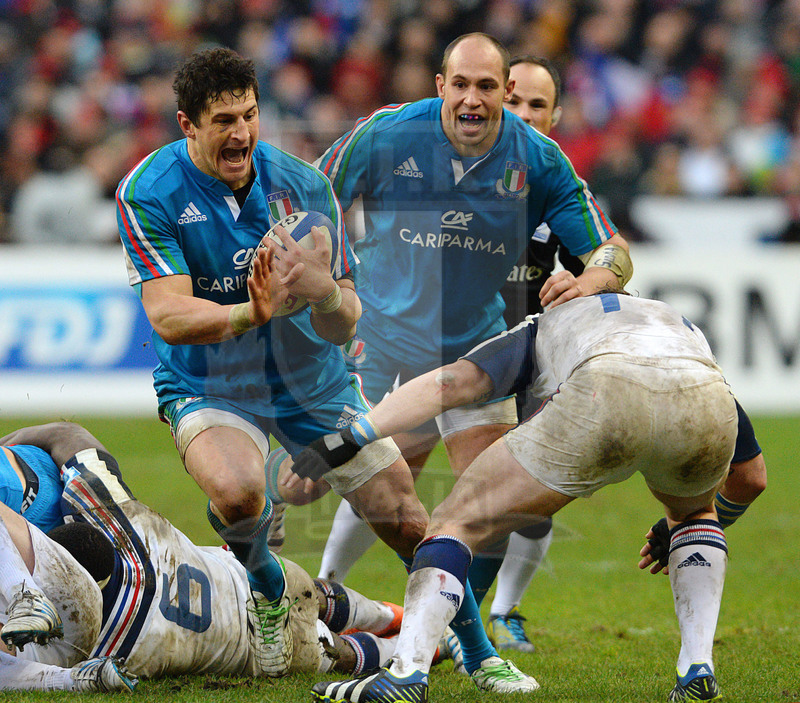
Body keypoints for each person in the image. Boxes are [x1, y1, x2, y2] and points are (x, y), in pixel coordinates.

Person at [313, 33, 631, 659]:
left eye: (487, 88)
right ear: (440, 86)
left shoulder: (538, 161)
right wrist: (335, 278)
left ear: (504, 95)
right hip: (379, 337)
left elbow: (611, 250)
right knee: (349, 478)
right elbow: (313, 197)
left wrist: (588, 282)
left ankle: (470, 637)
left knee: (492, 499)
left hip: (475, 347)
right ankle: (318, 592)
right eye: (462, 85)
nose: (474, 99)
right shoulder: (385, 134)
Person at [115, 47, 428, 678]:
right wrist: (249, 313)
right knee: (236, 495)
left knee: (407, 521)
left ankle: (473, 650)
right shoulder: (148, 191)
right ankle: (268, 592)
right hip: (212, 383)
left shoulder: (304, 187)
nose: (242, 133)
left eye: (250, 116)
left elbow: (345, 318)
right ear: (187, 125)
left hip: (312, 380)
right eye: (224, 120)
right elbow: (168, 316)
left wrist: (323, 293)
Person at [290, 291, 744, 701]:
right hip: (707, 395)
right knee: (694, 515)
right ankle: (697, 669)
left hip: (605, 386)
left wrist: (354, 435)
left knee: (454, 523)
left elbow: (450, 385)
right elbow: (754, 477)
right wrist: (682, 525)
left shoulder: (546, 321)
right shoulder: (675, 323)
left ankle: (406, 675)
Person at [0, 422, 406, 691]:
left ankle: (418, 646)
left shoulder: (97, 644)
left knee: (334, 650)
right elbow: (68, 433)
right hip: (238, 577)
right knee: (314, 596)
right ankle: (404, 621)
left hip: (247, 650)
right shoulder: (114, 516)